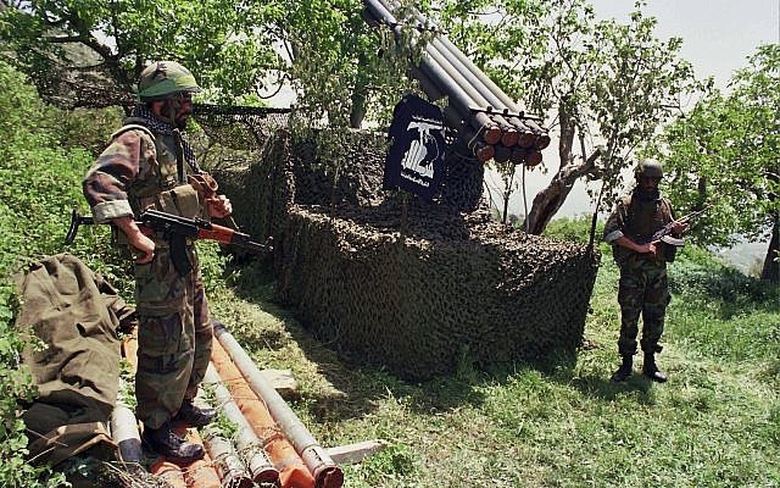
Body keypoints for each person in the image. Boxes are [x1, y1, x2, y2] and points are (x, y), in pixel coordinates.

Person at [83, 61, 232, 463]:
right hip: (157, 259)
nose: (188, 105)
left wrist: (213, 204)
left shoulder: (174, 140)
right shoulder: (136, 137)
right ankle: (155, 428)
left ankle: (183, 401)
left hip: (184, 254)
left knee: (199, 332)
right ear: (160, 102)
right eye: (182, 98)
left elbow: (190, 186)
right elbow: (100, 181)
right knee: (166, 342)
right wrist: (133, 232)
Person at [603, 159, 687, 383]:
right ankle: (626, 364)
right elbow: (611, 233)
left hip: (658, 273)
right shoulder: (626, 204)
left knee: (655, 317)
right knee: (629, 318)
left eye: (654, 180)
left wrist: (676, 231)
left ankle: (649, 362)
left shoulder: (665, 205)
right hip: (633, 272)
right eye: (646, 179)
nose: (650, 184)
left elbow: (670, 235)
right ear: (638, 178)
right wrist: (639, 247)